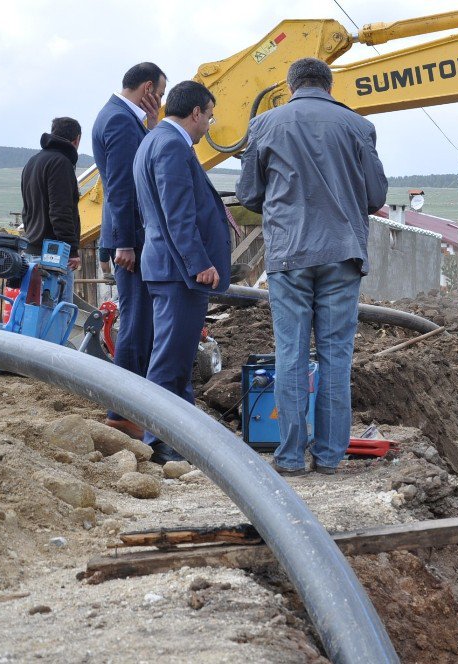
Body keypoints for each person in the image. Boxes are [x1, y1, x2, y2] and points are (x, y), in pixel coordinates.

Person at [237, 58, 387, 477]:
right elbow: (375, 194)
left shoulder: (265, 124)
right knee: (336, 356)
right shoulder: (358, 126)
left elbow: (250, 194)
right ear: (329, 85)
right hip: (342, 253)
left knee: (291, 354)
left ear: (290, 85)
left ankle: (288, 457)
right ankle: (329, 457)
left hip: (289, 254)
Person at [133, 81, 230, 464]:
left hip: (166, 267)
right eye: (209, 116)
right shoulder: (172, 145)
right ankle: (157, 444)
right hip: (179, 271)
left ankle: (183, 440)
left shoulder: (153, 140)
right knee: (170, 362)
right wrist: (199, 263)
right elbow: (177, 213)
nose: (209, 124)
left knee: (177, 359)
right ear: (196, 113)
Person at [92, 62, 167, 439]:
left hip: (132, 238)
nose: (162, 103)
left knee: (140, 323)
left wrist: (151, 128)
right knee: (137, 326)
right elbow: (121, 186)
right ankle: (123, 413)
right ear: (149, 88)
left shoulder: (123, 118)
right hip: (132, 241)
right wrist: (124, 242)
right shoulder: (120, 121)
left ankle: (129, 410)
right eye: (162, 95)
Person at [20, 117, 83, 303]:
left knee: (33, 316)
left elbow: (27, 210)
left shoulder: (32, 162)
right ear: (77, 139)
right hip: (55, 257)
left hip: (32, 251)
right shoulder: (61, 163)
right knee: (56, 318)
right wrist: (71, 250)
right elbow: (60, 211)